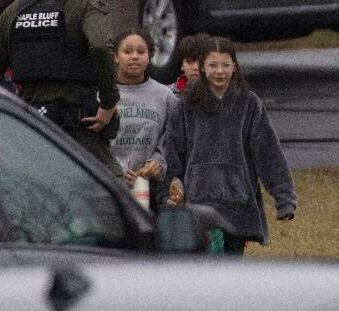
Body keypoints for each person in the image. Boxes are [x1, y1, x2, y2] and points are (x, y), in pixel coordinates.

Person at [0, 0, 122, 177]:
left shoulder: (13, 11)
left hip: (31, 128)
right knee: (112, 194)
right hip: (79, 129)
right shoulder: (87, 5)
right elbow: (100, 46)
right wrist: (109, 103)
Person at [160, 36, 296, 256]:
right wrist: (171, 189)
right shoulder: (186, 105)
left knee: (231, 272)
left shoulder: (249, 104)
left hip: (238, 203)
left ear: (235, 67)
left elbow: (268, 153)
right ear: (203, 68)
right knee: (206, 271)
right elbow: (174, 153)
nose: (219, 71)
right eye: (213, 65)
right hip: (199, 203)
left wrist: (284, 198)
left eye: (225, 65)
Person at [111, 29, 179, 203]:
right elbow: (90, 143)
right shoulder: (101, 96)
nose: (135, 56)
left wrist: (159, 161)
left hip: (152, 191)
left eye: (141, 52)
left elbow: (174, 138)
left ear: (149, 56)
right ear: (115, 57)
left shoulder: (165, 96)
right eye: (127, 51)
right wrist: (114, 169)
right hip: (109, 189)